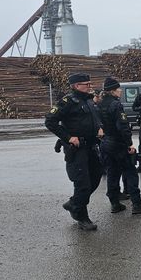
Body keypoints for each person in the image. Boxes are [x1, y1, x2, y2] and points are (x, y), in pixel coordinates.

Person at [45, 73, 104, 231]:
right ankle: (82, 217)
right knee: (82, 184)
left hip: (92, 146)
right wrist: (68, 137)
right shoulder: (68, 101)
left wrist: (99, 127)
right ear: (77, 86)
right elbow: (50, 121)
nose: (90, 86)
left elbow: (95, 118)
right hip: (77, 149)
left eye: (90, 83)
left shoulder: (88, 100)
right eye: (86, 84)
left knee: (96, 177)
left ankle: (74, 203)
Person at [97, 77, 141, 215]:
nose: (120, 91)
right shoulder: (116, 105)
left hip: (106, 143)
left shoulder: (100, 104)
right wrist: (129, 144)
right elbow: (123, 127)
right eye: (118, 89)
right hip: (118, 144)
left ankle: (114, 204)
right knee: (130, 173)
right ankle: (137, 204)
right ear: (112, 91)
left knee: (112, 173)